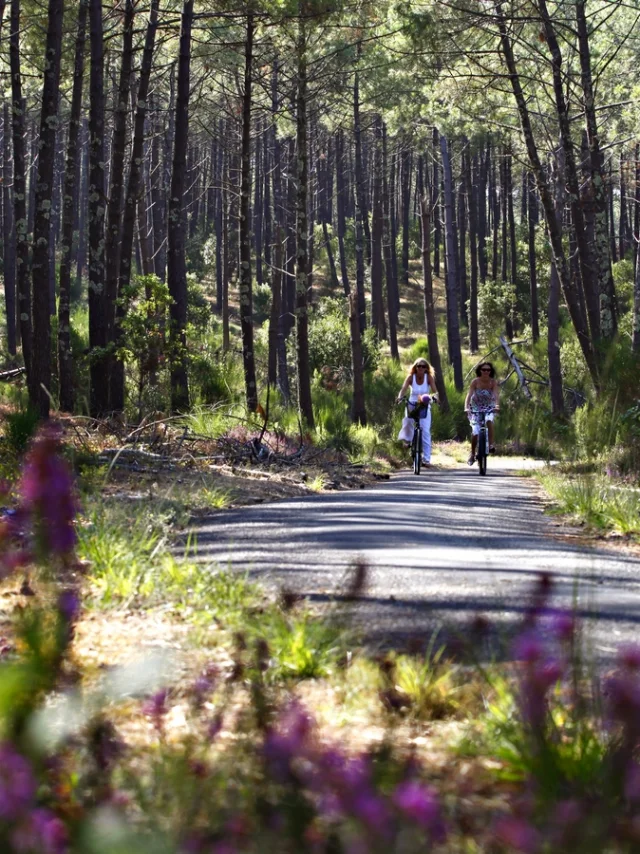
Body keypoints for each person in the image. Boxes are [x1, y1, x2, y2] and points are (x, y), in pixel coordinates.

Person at [396, 358, 438, 465]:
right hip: (412, 404)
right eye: (419, 366)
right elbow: (403, 389)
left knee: (425, 431)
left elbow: (434, 391)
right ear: (415, 367)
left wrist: (435, 397)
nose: (421, 368)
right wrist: (400, 397)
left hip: (424, 404)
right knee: (408, 422)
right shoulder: (411, 378)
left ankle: (427, 459)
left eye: (424, 366)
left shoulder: (428, 378)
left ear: (426, 369)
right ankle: (408, 440)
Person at [464, 361, 500, 466]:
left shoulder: (493, 382)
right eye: (484, 370)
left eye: (488, 370)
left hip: (489, 407)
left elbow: (496, 395)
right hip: (475, 408)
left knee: (489, 420)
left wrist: (497, 406)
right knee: (475, 432)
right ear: (480, 370)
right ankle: (472, 453)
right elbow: (469, 395)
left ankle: (491, 445)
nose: (486, 372)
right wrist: (466, 408)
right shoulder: (475, 382)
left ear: (490, 371)